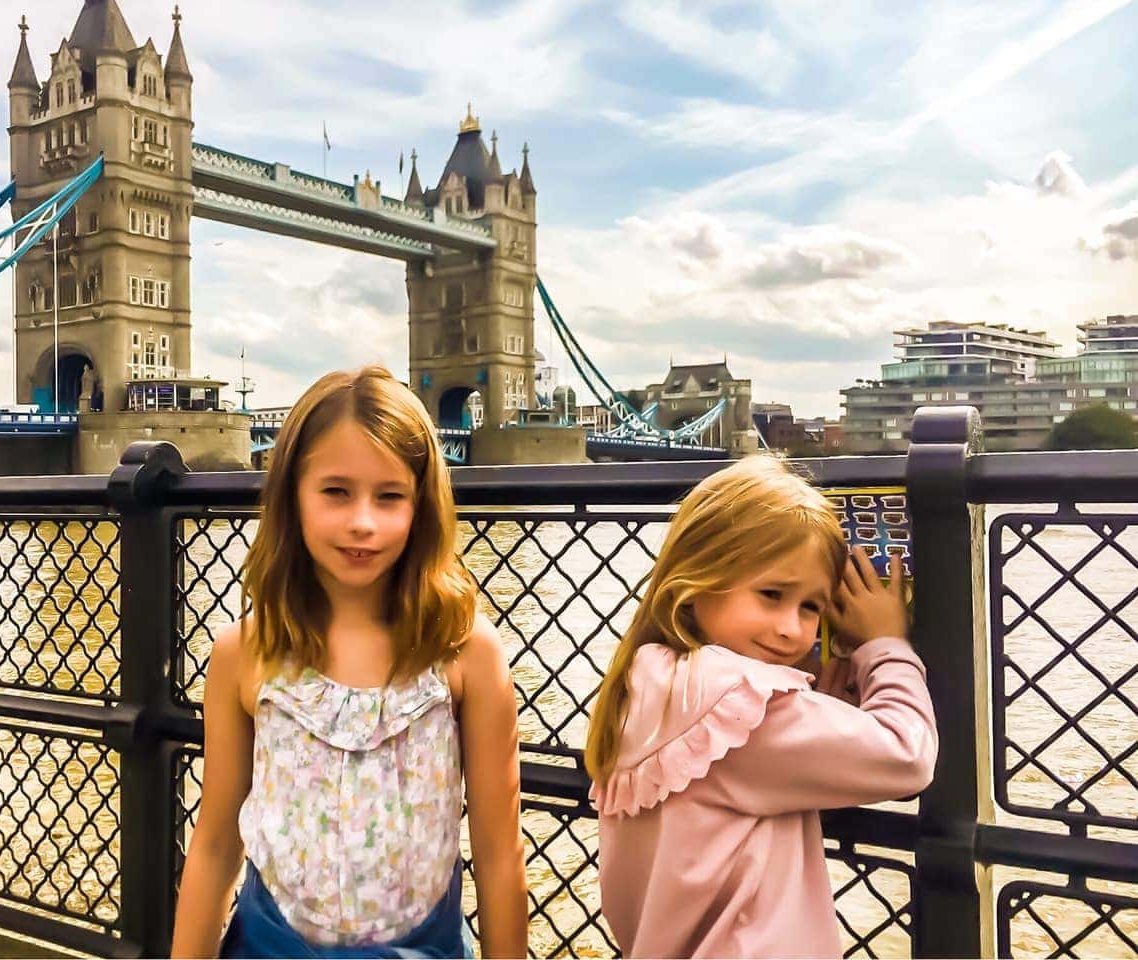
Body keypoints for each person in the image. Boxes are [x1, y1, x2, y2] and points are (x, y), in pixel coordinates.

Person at [172, 365, 527, 959]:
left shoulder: (467, 654)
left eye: (389, 497)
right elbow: (214, 844)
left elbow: (498, 853)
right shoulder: (243, 654)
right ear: (292, 497)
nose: (363, 521)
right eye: (336, 492)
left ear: (422, 508)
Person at [585, 455, 937, 959]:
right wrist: (885, 644)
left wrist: (821, 703)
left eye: (811, 607)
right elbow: (907, 755)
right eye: (771, 594)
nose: (792, 628)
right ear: (696, 581)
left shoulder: (648, 682)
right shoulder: (744, 707)